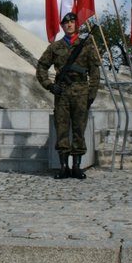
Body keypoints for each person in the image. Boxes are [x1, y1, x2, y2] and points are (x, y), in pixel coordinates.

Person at [36, 12, 100, 180]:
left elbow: (95, 72)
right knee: (62, 130)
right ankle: (64, 167)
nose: (69, 25)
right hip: (62, 93)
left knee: (79, 129)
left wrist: (91, 94)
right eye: (66, 23)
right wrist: (50, 86)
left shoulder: (87, 45)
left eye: (72, 22)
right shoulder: (55, 47)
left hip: (81, 93)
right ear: (62, 26)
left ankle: (77, 167)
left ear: (76, 25)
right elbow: (41, 67)